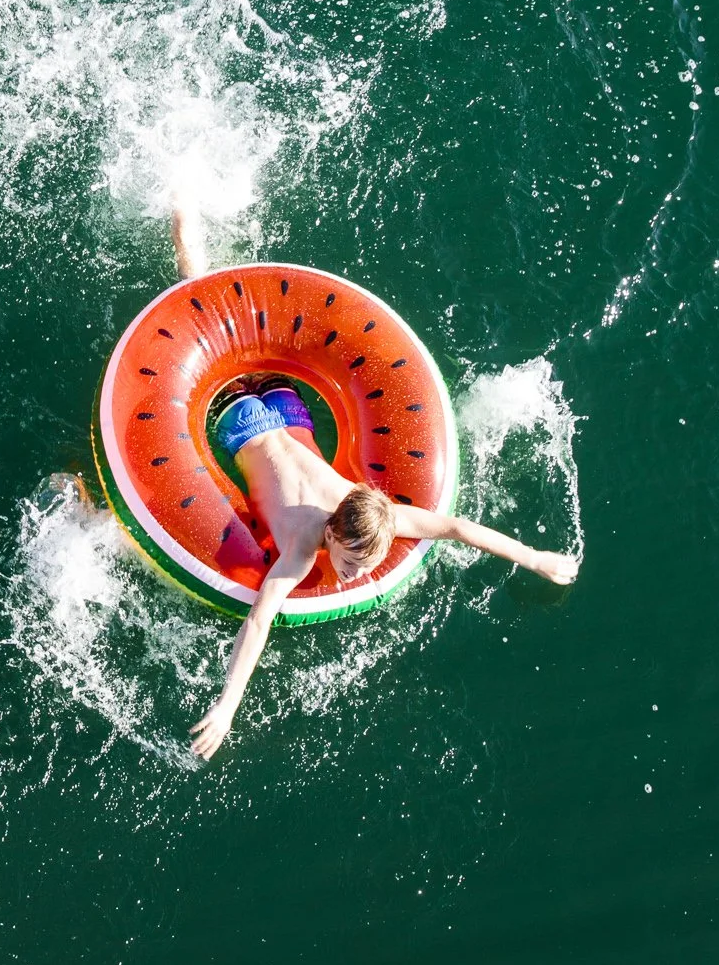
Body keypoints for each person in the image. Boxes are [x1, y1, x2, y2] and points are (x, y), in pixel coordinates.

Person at [168, 201, 579, 762]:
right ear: (333, 534)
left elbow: (458, 528)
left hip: (290, 413)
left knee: (242, 332)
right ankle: (185, 227)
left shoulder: (378, 514)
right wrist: (229, 704)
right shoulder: (301, 545)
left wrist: (536, 557)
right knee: (215, 326)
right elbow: (261, 618)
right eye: (356, 561)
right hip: (244, 427)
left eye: (367, 563)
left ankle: (201, 235)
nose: (361, 572)